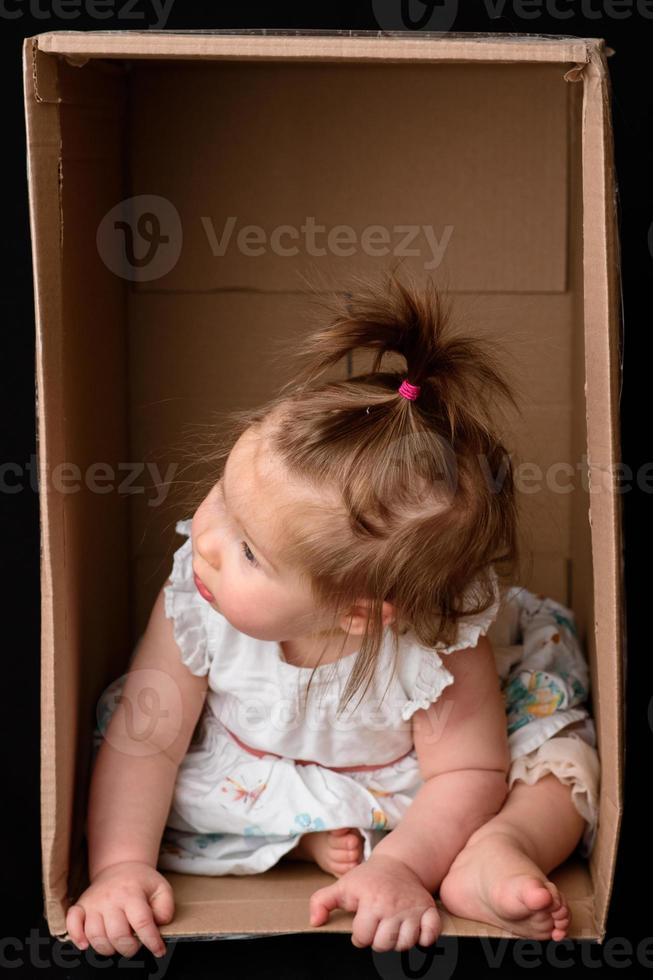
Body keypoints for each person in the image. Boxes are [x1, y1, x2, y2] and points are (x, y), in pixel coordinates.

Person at [66, 268, 600, 958]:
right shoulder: (196, 601)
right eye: (223, 500)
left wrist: (402, 868)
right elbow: (149, 745)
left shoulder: (437, 643)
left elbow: (469, 774)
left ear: (358, 615)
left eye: (249, 552)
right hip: (250, 768)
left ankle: (496, 850)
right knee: (138, 777)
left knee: (555, 760)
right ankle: (305, 836)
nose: (206, 540)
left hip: (422, 801)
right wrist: (118, 870)